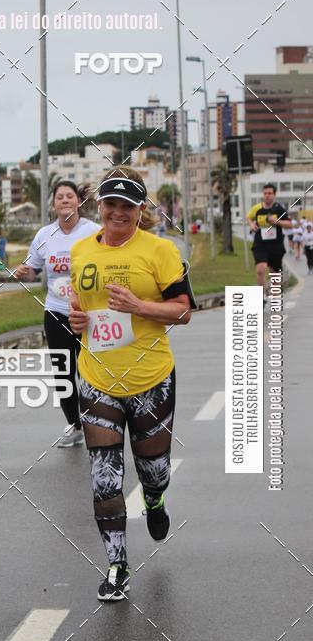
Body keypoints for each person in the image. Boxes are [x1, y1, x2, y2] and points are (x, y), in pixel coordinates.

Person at [69, 168, 194, 602]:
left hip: (150, 379)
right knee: (105, 477)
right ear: (98, 206)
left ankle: (155, 502)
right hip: (96, 376)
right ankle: (117, 565)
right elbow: (79, 307)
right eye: (110, 204)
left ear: (141, 210)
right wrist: (77, 320)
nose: (118, 212)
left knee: (153, 471)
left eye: (128, 205)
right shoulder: (81, 250)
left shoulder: (160, 251)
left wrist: (139, 305)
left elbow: (183, 310)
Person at [14, 181, 99, 446]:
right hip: (56, 312)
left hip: (88, 314)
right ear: (53, 204)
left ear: (78, 202)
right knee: (63, 373)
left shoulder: (93, 231)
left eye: (69, 196)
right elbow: (33, 270)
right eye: (59, 197)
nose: (64, 200)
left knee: (90, 372)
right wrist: (22, 272)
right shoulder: (44, 235)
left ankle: (96, 423)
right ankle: (75, 426)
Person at [246, 184, 292, 299]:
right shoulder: (257, 208)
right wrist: (251, 225)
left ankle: (275, 298)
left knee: (274, 272)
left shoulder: (279, 209)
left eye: (269, 193)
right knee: (260, 269)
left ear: (274, 195)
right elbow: (248, 217)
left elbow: (289, 224)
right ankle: (261, 297)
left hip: (276, 245)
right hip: (260, 243)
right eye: (265, 193)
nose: (267, 196)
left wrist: (277, 222)